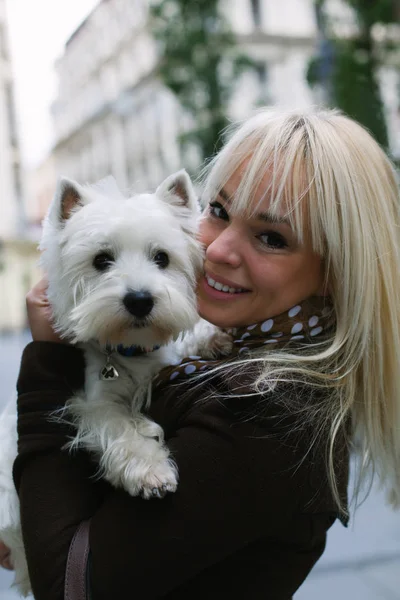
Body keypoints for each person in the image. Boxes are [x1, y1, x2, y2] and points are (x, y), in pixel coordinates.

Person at [7, 107, 400, 599]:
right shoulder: (228, 353)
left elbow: (68, 584)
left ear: (336, 273)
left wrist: (47, 362)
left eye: (271, 238)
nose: (216, 251)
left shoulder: (266, 414)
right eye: (217, 210)